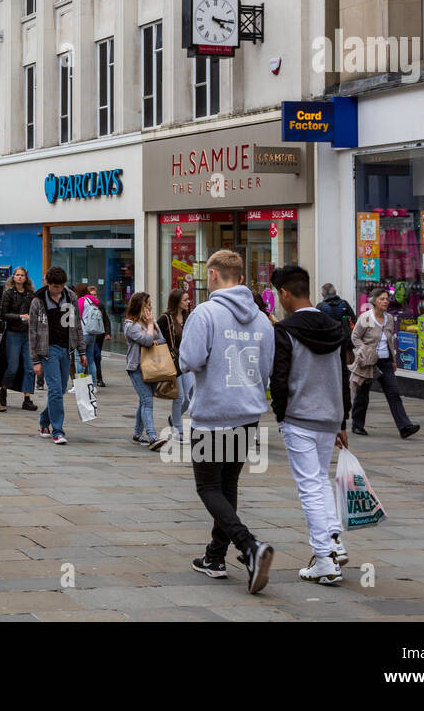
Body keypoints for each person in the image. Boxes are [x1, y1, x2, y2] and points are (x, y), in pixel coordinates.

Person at [179, 249, 275, 594]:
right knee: (228, 485)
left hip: (213, 414)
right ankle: (214, 557)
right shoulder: (263, 319)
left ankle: (249, 546)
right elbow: (266, 369)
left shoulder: (205, 313)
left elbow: (188, 359)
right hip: (246, 414)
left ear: (214, 276)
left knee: (208, 487)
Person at [270, 264, 353, 585]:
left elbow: (278, 378)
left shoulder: (286, 330)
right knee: (319, 480)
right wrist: (342, 419)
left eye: (280, 296)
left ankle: (324, 559)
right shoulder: (333, 327)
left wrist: (280, 413)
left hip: (300, 418)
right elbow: (344, 376)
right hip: (329, 417)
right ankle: (334, 541)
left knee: (309, 486)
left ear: (285, 293)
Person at [350, 287, 419, 439]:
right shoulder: (365, 318)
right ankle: (357, 425)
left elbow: (390, 341)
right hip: (368, 363)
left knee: (394, 393)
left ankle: (405, 427)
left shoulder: (389, 319)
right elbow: (355, 337)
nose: (385, 301)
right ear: (374, 301)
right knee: (362, 395)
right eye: (382, 299)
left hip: (385, 362)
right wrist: (364, 351)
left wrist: (393, 360)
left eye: (387, 299)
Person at [28, 266, 86, 445]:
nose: (58, 290)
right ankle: (58, 431)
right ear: (47, 283)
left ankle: (44, 421)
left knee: (60, 390)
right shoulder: (38, 301)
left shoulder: (70, 297)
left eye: (61, 287)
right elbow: (32, 332)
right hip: (48, 350)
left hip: (65, 348)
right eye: (55, 287)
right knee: (54, 390)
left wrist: (82, 351)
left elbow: (76, 325)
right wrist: (35, 360)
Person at [123, 292, 169, 451]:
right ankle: (152, 436)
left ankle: (137, 433)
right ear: (140, 305)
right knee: (148, 401)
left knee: (144, 401)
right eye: (148, 303)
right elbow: (148, 341)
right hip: (137, 367)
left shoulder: (151, 322)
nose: (151, 306)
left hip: (153, 367)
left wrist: (150, 328)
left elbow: (161, 340)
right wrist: (150, 327)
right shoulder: (130, 325)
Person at [156, 288, 194, 441]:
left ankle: (173, 418)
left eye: (188, 299)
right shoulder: (165, 318)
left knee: (189, 397)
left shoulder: (188, 317)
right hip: (172, 361)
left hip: (186, 360)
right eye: (185, 300)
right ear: (177, 301)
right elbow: (155, 335)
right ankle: (177, 429)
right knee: (179, 397)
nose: (188, 302)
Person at [0, 266, 36, 412]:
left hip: (27, 335)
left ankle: (27, 398)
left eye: (22, 275)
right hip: (13, 333)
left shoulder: (30, 295)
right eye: (17, 275)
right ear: (13, 277)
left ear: (26, 278)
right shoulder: (8, 293)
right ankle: (3, 389)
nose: (19, 277)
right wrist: (20, 317)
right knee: (12, 367)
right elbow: (3, 314)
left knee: (29, 367)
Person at [78, 284, 107, 385]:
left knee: (79, 359)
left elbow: (79, 316)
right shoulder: (93, 301)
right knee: (91, 359)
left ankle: (79, 385)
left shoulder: (81, 300)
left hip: (84, 333)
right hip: (92, 333)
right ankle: (93, 384)